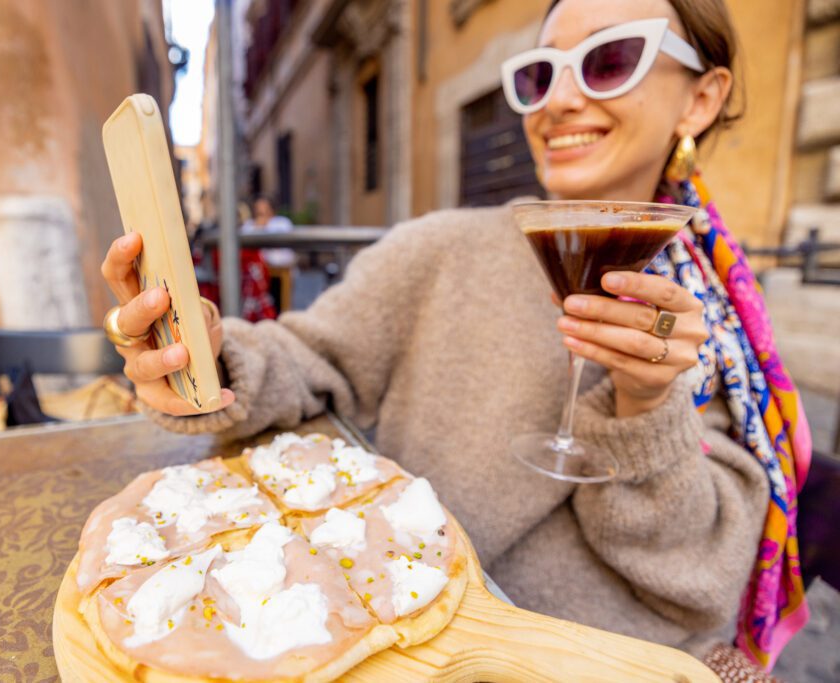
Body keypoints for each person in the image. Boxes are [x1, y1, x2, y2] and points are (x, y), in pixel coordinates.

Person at [100, 0, 811, 678]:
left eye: (610, 60)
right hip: (419, 647)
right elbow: (303, 357)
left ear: (701, 99)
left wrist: (646, 404)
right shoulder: (438, 250)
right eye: (541, 74)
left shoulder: (721, 313)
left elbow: (700, 583)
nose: (559, 101)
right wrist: (204, 357)